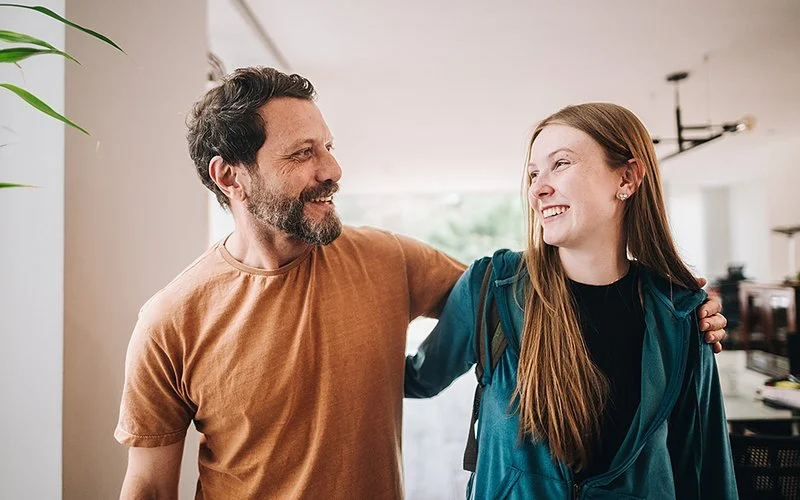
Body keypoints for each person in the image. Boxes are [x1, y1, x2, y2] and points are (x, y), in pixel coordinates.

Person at [115, 68, 728, 499]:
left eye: (328, 146)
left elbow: (521, 306)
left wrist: (688, 310)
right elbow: (147, 488)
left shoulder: (388, 259)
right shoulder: (171, 319)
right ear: (231, 177)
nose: (332, 169)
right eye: (303, 153)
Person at [405, 103, 737, 499]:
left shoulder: (681, 313)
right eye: (532, 173)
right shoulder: (493, 285)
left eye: (560, 164)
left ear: (627, 179)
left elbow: (703, 464)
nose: (538, 188)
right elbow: (417, 378)